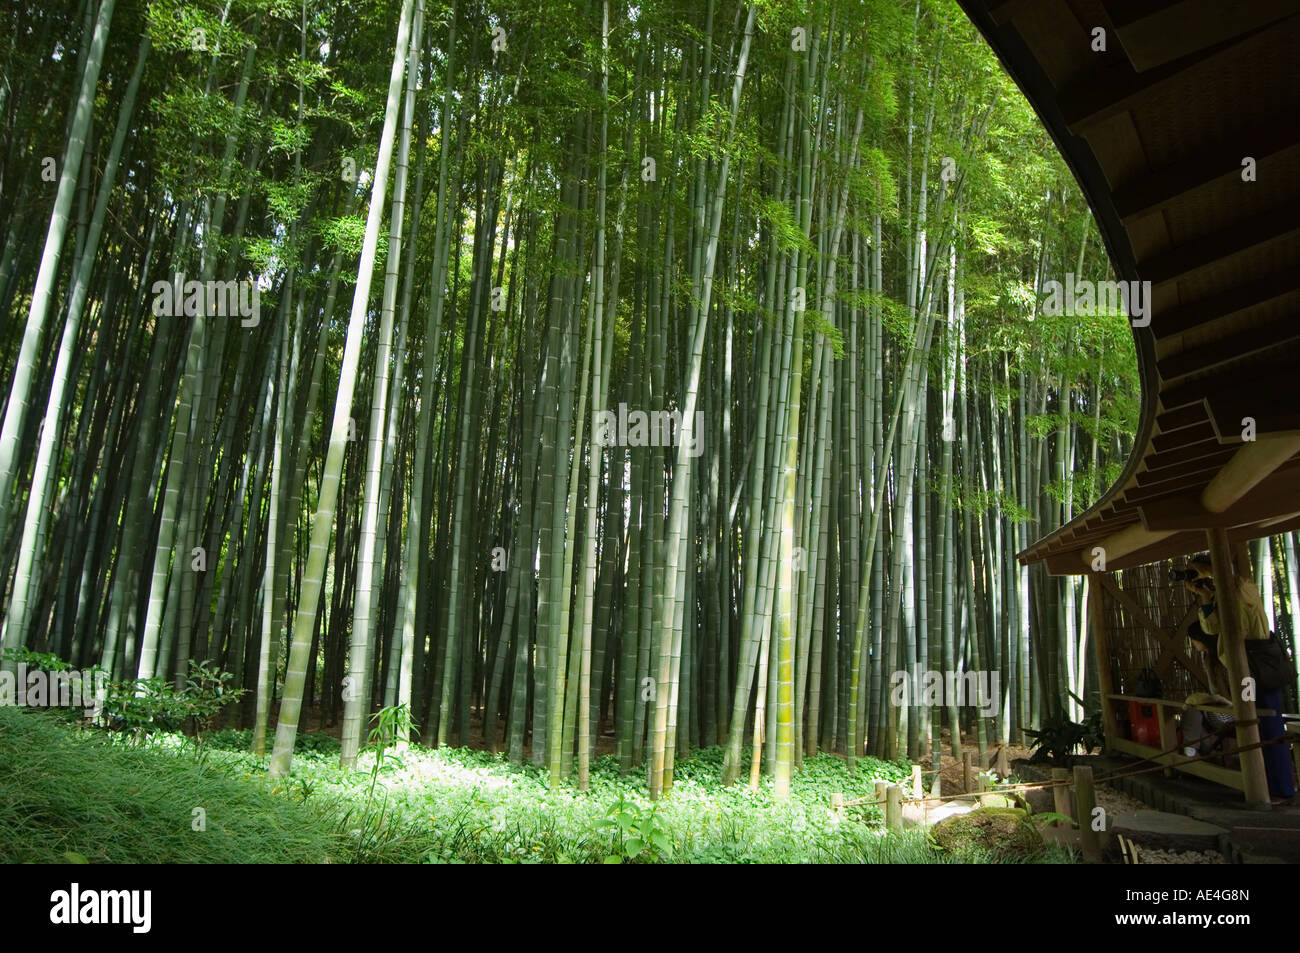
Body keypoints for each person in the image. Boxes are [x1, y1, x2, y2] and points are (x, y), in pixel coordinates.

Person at [1184, 551, 1295, 804]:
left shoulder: (1244, 587)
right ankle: (1263, 784)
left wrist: (1212, 571)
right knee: (1252, 725)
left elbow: (1238, 587)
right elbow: (1211, 629)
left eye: (1202, 570)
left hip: (1259, 668)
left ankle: (1280, 789)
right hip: (1242, 669)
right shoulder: (1222, 595)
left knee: (1269, 725)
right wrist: (1205, 596)